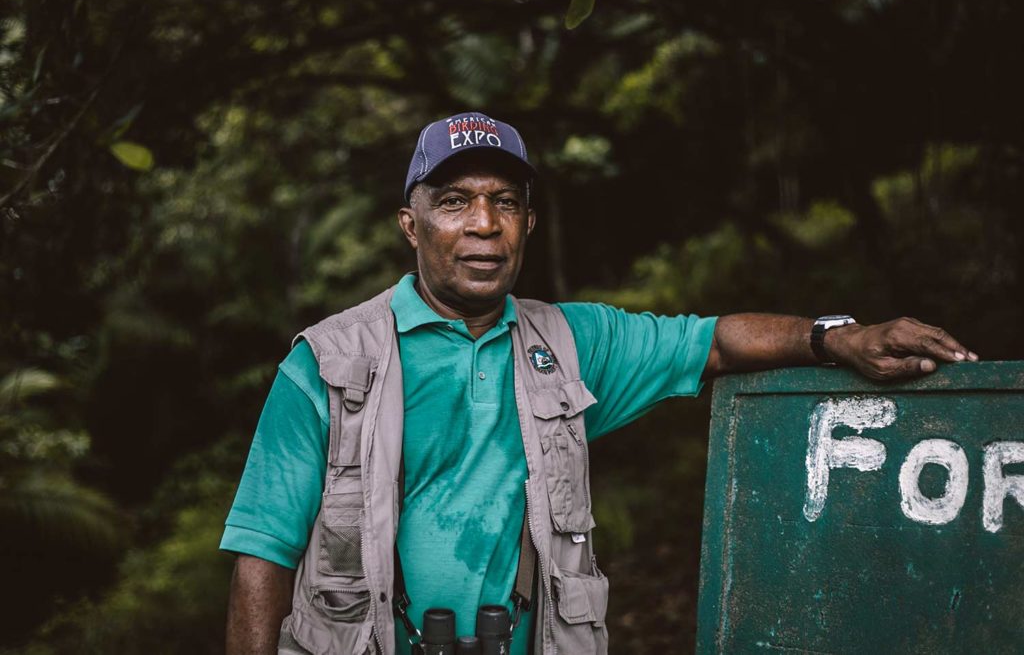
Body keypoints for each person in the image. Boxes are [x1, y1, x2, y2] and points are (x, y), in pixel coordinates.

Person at [221, 112, 977, 655]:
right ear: (410, 225)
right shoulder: (327, 360)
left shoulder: (571, 341)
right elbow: (263, 552)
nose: (485, 223)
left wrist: (835, 337)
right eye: (455, 201)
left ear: (528, 224)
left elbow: (711, 340)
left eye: (505, 202)